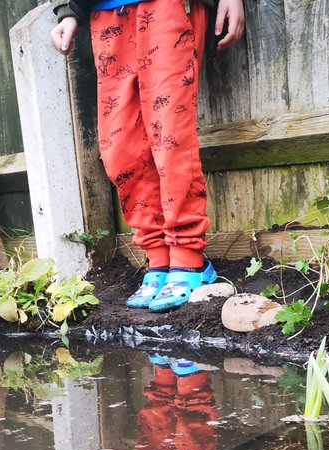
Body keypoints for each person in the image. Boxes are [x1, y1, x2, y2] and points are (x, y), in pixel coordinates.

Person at [51, 0, 246, 312]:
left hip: (169, 8)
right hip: (106, 13)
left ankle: (188, 259)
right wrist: (68, 10)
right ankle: (159, 259)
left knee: (170, 135)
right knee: (120, 148)